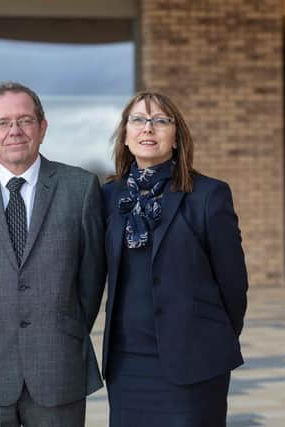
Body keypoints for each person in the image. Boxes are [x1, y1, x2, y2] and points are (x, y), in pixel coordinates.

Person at [0, 81, 106, 427]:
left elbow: (91, 278)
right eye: (3, 123)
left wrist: (63, 325)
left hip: (58, 364)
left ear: (42, 128)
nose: (14, 130)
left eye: (25, 120)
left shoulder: (81, 189)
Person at [101, 91, 248, 426]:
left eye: (160, 121)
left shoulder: (209, 195)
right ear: (125, 135)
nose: (147, 129)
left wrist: (210, 337)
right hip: (127, 361)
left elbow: (233, 284)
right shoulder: (109, 196)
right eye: (138, 120)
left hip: (193, 359)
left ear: (177, 136)